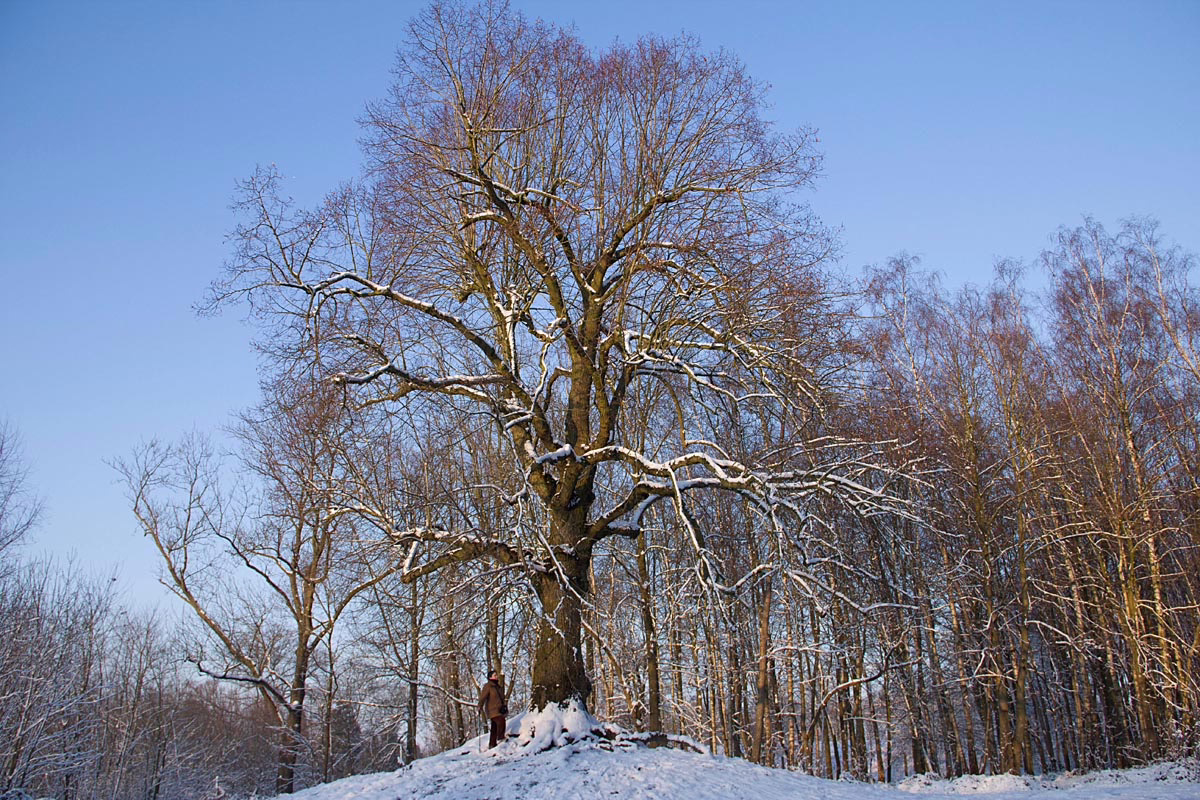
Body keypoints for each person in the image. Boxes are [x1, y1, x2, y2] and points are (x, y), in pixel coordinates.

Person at [478, 668, 507, 749]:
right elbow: (483, 697)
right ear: (490, 677)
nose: (497, 676)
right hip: (492, 710)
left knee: (494, 727)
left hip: (499, 709)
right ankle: (500, 738)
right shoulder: (488, 686)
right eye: (495, 675)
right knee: (501, 721)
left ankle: (492, 744)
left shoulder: (498, 687)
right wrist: (480, 706)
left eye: (496, 675)